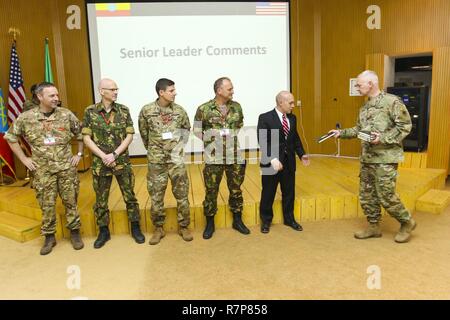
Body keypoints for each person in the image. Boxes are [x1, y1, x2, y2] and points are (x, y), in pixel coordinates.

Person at [328, 70, 416, 243]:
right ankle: (374, 226)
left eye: (359, 84)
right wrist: (341, 133)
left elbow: (405, 126)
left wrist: (382, 138)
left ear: (371, 84)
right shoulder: (365, 107)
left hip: (385, 158)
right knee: (367, 195)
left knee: (386, 194)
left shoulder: (392, 102)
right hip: (367, 158)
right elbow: (359, 130)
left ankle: (406, 222)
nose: (357, 87)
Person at [5, 82, 84, 255]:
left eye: (57, 95)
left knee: (71, 201)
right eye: (52, 96)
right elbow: (10, 137)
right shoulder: (26, 117)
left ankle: (75, 232)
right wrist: (24, 159)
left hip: (65, 168)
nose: (56, 98)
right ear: (40, 97)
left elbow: (81, 134)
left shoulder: (66, 114)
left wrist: (78, 154)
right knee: (46, 204)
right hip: (42, 170)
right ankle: (49, 236)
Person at [82, 78, 145, 248]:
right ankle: (103, 231)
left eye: (117, 89)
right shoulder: (90, 111)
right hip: (100, 163)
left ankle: (135, 227)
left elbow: (129, 135)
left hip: (121, 162)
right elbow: (86, 137)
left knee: (130, 196)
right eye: (112, 89)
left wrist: (115, 154)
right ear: (102, 91)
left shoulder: (123, 110)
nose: (116, 92)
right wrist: (104, 156)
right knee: (101, 200)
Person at [194, 77, 249, 239]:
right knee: (211, 191)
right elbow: (197, 130)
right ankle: (210, 223)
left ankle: (237, 220)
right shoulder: (204, 108)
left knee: (236, 190)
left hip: (234, 156)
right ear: (219, 91)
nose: (233, 91)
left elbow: (239, 125)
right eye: (230, 89)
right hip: (214, 157)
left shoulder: (237, 107)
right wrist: (212, 141)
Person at [138, 78, 192, 245]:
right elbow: (144, 133)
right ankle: (158, 228)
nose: (175, 93)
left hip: (176, 161)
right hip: (156, 162)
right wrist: (156, 150)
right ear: (161, 92)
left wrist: (177, 147)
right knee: (156, 196)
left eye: (174, 90)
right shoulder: (147, 111)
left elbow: (186, 130)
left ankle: (184, 226)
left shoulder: (180, 111)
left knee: (182, 195)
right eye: (171, 90)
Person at [257, 91, 310, 234]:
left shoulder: (292, 118)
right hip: (270, 162)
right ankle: (266, 220)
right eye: (290, 103)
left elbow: (295, 137)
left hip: (288, 162)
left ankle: (289, 219)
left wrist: (301, 154)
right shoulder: (265, 118)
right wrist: (272, 159)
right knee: (268, 192)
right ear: (281, 102)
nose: (293, 105)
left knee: (289, 192)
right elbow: (263, 141)